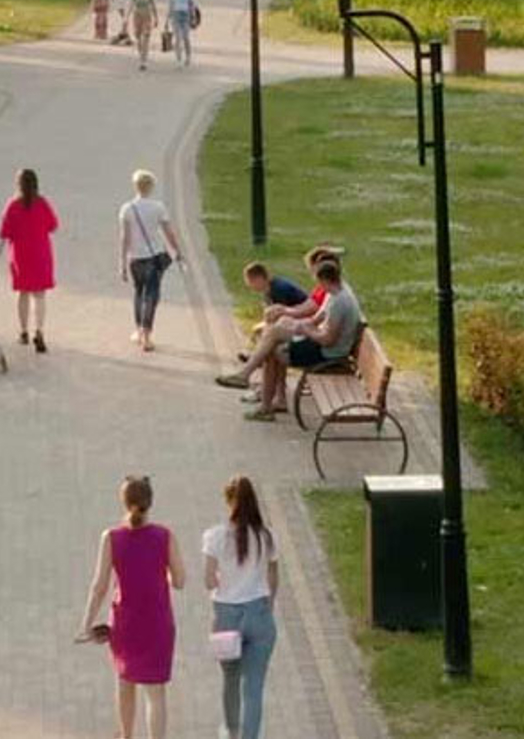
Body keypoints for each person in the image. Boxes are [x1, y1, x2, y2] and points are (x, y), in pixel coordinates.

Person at [77, 475, 186, 739]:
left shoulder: (111, 538)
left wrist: (86, 623)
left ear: (123, 502)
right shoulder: (165, 536)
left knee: (125, 683)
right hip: (158, 624)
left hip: (125, 624)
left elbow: (99, 586)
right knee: (156, 694)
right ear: (150, 502)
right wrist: (164, 576)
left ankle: (126, 735)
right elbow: (180, 581)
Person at [217, 259, 361, 420]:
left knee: (273, 349)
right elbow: (317, 318)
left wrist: (306, 330)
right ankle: (261, 394)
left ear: (325, 280)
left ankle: (253, 388)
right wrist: (298, 324)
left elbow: (327, 340)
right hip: (318, 340)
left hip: (328, 354)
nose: (318, 287)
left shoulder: (340, 303)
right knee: (278, 330)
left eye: (318, 282)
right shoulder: (335, 292)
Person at [203, 476, 279, 739]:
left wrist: (223, 583)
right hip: (258, 614)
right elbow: (273, 577)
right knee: (254, 687)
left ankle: (231, 730)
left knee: (230, 678)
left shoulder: (215, 537)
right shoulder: (266, 536)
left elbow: (208, 580)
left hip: (226, 616)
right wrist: (269, 603)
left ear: (229, 501)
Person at [0, 167, 59, 352]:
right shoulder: (42, 203)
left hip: (21, 256)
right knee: (40, 296)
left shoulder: (13, 205)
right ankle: (40, 331)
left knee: (23, 294)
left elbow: (3, 234)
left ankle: (23, 331)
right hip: (41, 254)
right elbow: (53, 225)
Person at [119, 169, 183, 351]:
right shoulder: (158, 207)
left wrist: (122, 262)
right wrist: (177, 251)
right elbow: (168, 232)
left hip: (135, 258)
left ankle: (138, 331)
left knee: (139, 293)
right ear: (151, 187)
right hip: (154, 257)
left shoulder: (127, 208)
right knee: (152, 295)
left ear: (135, 186)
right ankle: (147, 335)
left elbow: (124, 237)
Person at [166, 0, 196, 67]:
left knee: (186, 37)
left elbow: (191, 4)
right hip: (176, 15)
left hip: (185, 15)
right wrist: (167, 20)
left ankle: (188, 56)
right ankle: (178, 58)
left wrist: (193, 16)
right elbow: (170, 5)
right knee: (177, 38)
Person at [129, 0, 158, 72]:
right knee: (138, 38)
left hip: (147, 16)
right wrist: (126, 17)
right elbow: (131, 5)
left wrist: (156, 18)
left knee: (145, 37)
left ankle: (143, 61)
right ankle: (141, 54)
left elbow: (153, 6)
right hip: (137, 16)